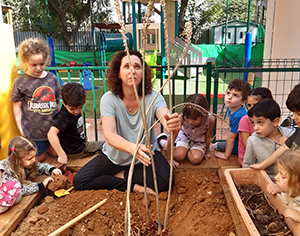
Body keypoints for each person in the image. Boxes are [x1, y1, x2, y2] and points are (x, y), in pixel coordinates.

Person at [73, 50, 181, 194]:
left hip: (146, 155)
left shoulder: (153, 97)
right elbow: (109, 135)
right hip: (116, 157)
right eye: (127, 66)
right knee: (80, 180)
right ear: (118, 73)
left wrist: (172, 123)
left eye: (137, 66)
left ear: (143, 72)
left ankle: (124, 174)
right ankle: (128, 184)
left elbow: (165, 116)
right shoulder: (109, 99)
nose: (132, 70)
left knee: (166, 181)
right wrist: (132, 148)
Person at [11, 38, 61, 162]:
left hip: (52, 128)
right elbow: (16, 106)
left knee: (56, 153)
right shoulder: (20, 82)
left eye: (42, 64)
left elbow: (57, 103)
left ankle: (49, 148)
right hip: (35, 131)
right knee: (38, 158)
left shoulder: (52, 78)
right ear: (24, 62)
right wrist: (21, 127)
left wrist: (60, 122)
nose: (38, 68)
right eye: (34, 65)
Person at [0, 136, 62, 213]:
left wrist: (52, 169)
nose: (33, 160)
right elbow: (19, 190)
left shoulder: (29, 163)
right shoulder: (9, 171)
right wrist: (41, 185)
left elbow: (40, 167)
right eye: (29, 159)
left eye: (34, 156)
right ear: (17, 160)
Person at [48, 83, 104, 167]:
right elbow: (51, 134)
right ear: (63, 103)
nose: (76, 111)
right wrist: (61, 155)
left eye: (80, 107)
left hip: (79, 144)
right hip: (77, 150)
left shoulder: (73, 105)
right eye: (72, 109)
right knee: (107, 145)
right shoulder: (64, 117)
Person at [250, 83, 300, 171]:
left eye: (299, 114)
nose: (293, 117)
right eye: (293, 113)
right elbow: (285, 147)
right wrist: (262, 165)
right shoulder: (298, 132)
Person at [157, 93, 215, 166]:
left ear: (203, 115)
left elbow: (208, 137)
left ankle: (186, 149)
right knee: (178, 156)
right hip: (184, 136)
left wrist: (206, 151)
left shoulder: (210, 119)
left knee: (195, 159)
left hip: (199, 141)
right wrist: (169, 159)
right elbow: (172, 138)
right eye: (187, 117)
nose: (190, 122)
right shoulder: (182, 117)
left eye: (194, 119)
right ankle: (163, 141)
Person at [242, 99, 295, 178]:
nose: (255, 128)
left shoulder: (290, 134)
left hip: (289, 181)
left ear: (275, 122)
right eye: (253, 122)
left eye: (260, 122)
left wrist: (288, 149)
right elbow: (247, 166)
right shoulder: (253, 141)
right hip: (265, 180)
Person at [212, 79, 251, 160]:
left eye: (235, 95)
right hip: (237, 142)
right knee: (215, 145)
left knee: (215, 146)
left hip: (239, 146)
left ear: (243, 101)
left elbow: (231, 138)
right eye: (228, 93)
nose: (229, 97)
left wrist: (226, 155)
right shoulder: (232, 109)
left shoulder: (239, 115)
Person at [237, 87, 273, 166]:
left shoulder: (270, 119)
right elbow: (247, 146)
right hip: (250, 160)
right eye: (249, 105)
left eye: (256, 105)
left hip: (265, 157)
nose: (252, 109)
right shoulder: (245, 120)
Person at [267, 149, 300, 231]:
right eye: (278, 173)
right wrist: (280, 188)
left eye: (283, 177)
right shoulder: (292, 189)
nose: (276, 178)